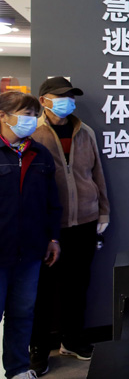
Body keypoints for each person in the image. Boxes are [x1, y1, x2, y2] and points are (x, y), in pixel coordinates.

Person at [29, 77, 110, 374]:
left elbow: (97, 174)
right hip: (49, 225)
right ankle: (39, 348)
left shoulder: (84, 132)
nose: (67, 102)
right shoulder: (33, 133)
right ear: (44, 101)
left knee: (77, 285)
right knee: (43, 290)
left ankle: (73, 340)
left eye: (71, 97)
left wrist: (103, 212)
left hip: (85, 221)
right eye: (61, 96)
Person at [0, 91, 62, 379]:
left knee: (23, 312)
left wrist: (53, 238)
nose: (32, 120)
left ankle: (17, 369)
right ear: (3, 115)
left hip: (31, 250)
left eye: (34, 115)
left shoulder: (39, 154)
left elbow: (52, 201)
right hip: (1, 249)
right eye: (26, 114)